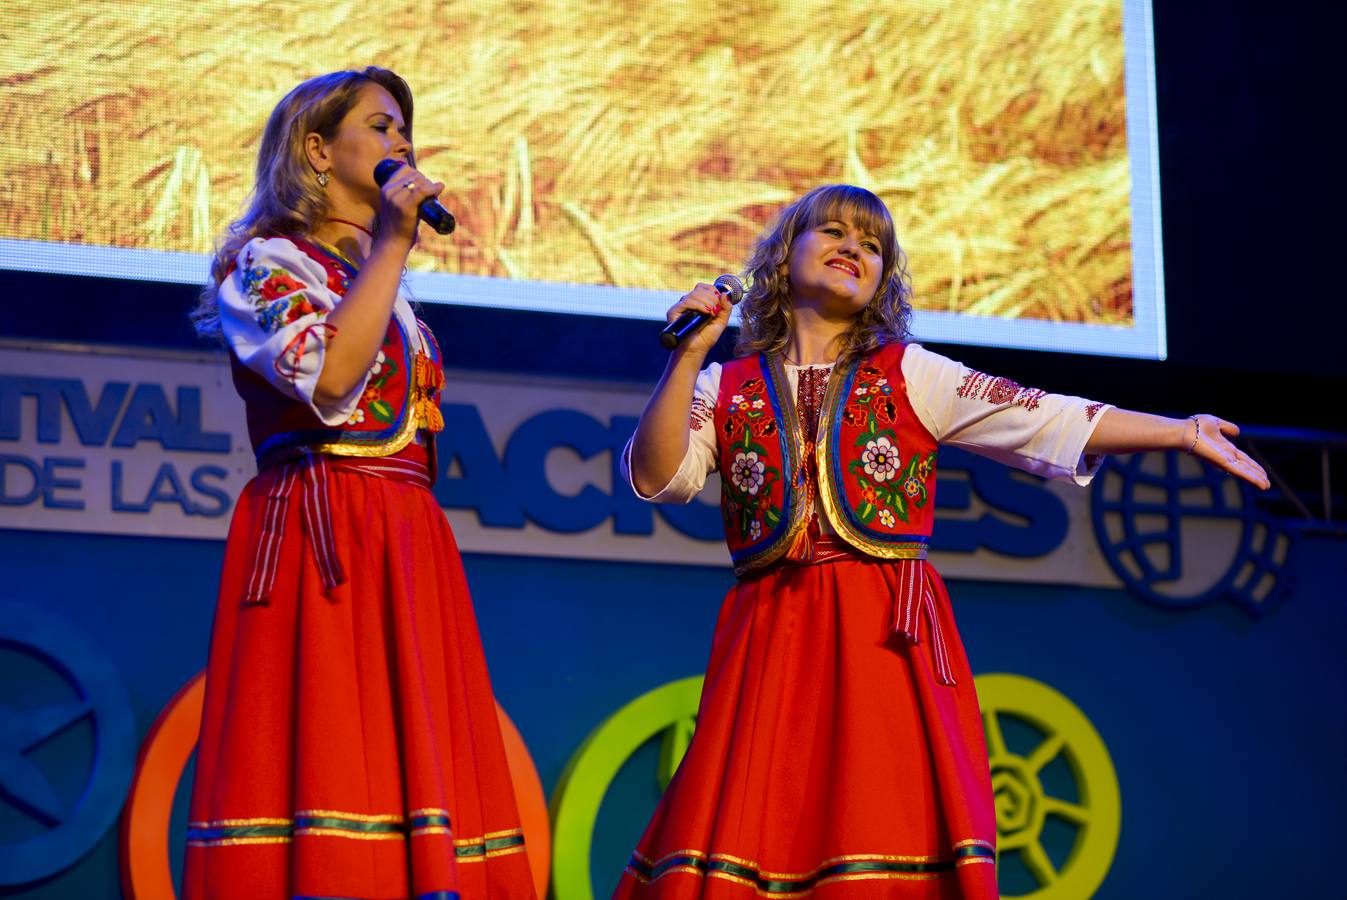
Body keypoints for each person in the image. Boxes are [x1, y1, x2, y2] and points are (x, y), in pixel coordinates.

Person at [614, 184, 1268, 898]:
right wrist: (685, 358)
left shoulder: (912, 373)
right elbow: (658, 477)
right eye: (831, 232)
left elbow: (1044, 417)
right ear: (779, 260)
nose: (852, 249)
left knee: (878, 822)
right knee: (753, 819)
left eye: (871, 245)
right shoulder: (724, 383)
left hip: (878, 635)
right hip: (769, 633)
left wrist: (1176, 431)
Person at [183, 68, 535, 899]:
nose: (400, 143)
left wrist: (386, 252)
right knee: (332, 745)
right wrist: (392, 243)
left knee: (416, 753)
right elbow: (334, 377)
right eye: (380, 127)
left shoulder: (387, 284)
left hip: (405, 539)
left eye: (404, 129)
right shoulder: (264, 263)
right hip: (324, 531)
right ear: (315, 149)